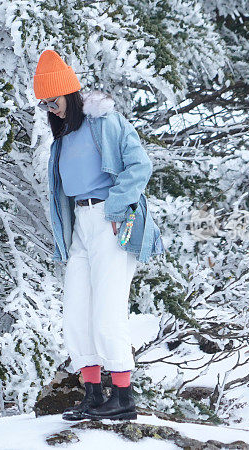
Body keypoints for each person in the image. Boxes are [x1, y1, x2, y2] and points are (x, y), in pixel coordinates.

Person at [32, 49, 165, 421]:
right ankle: (92, 393)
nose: (51, 110)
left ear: (69, 95)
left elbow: (140, 165)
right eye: (45, 105)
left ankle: (123, 398)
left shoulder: (106, 123)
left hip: (111, 223)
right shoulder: (61, 139)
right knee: (77, 314)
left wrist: (117, 208)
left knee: (107, 314)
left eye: (54, 101)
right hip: (81, 228)